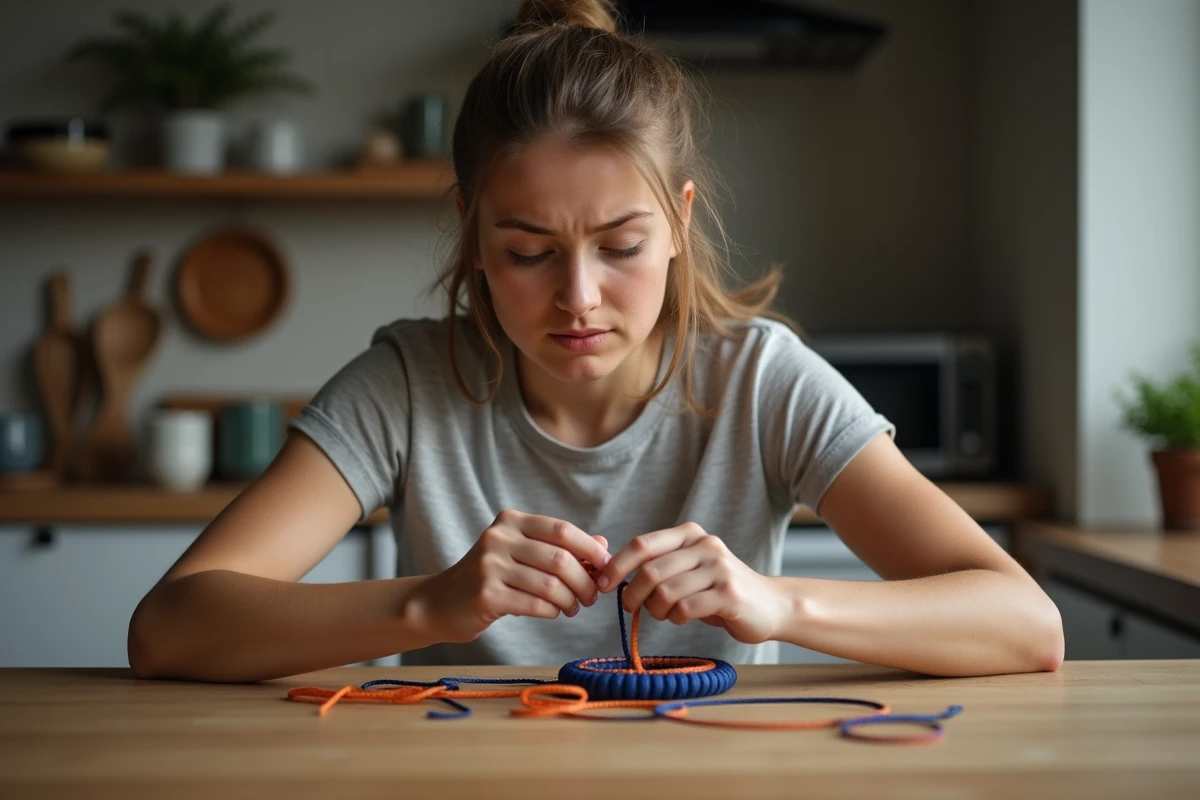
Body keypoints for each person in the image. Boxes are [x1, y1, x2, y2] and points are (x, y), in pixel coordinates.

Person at [128, 0, 1063, 684]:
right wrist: (432, 604)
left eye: (620, 247)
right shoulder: (407, 384)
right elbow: (170, 628)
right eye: (528, 251)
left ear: (677, 223)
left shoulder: (762, 380)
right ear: (472, 230)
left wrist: (777, 602)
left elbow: (1026, 624)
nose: (579, 299)